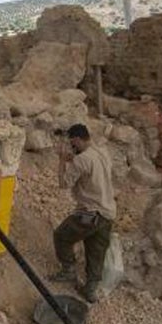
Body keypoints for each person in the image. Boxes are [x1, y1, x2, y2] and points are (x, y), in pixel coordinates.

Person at [51, 123, 116, 303]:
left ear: (78, 140)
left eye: (73, 143)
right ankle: (90, 289)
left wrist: (63, 161)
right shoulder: (101, 152)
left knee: (61, 236)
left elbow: (64, 183)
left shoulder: (82, 160)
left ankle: (68, 271)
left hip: (90, 213)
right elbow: (88, 165)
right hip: (108, 212)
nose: (72, 146)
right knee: (96, 250)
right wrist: (74, 158)